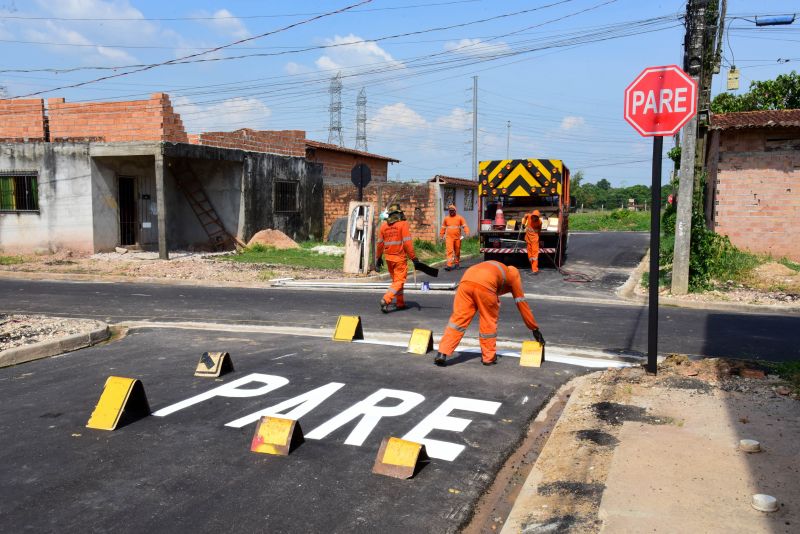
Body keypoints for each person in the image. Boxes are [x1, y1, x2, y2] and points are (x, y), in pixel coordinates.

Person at [434, 260, 545, 366]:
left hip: (466, 279)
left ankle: (442, 352)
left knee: (458, 320)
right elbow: (522, 304)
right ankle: (488, 358)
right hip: (486, 283)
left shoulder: (499, 268)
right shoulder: (514, 276)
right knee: (488, 320)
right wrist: (534, 328)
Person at [376, 203, 419, 313]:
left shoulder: (384, 226)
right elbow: (407, 243)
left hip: (389, 259)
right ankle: (386, 299)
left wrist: (378, 257)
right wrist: (413, 258)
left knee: (397, 282)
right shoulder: (403, 224)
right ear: (399, 214)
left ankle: (400, 303)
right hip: (399, 258)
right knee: (399, 281)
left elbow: (380, 244)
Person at [440, 204, 470, 271]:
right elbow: (443, 228)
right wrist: (441, 235)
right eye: (450, 211)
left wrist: (467, 232)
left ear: (455, 211)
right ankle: (449, 265)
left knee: (457, 251)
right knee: (449, 251)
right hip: (449, 238)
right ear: (449, 211)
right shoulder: (446, 219)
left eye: (452, 211)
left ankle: (457, 264)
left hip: (457, 238)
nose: (451, 212)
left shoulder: (460, 218)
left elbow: (465, 226)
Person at [522, 209, 543, 274]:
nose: (534, 218)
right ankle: (532, 267)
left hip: (534, 240)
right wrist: (523, 223)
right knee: (530, 255)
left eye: (536, 217)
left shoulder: (539, 222)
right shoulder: (529, 216)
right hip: (528, 239)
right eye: (534, 216)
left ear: (538, 217)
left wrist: (538, 237)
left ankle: (535, 270)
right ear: (532, 216)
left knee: (535, 255)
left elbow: (539, 230)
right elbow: (525, 216)